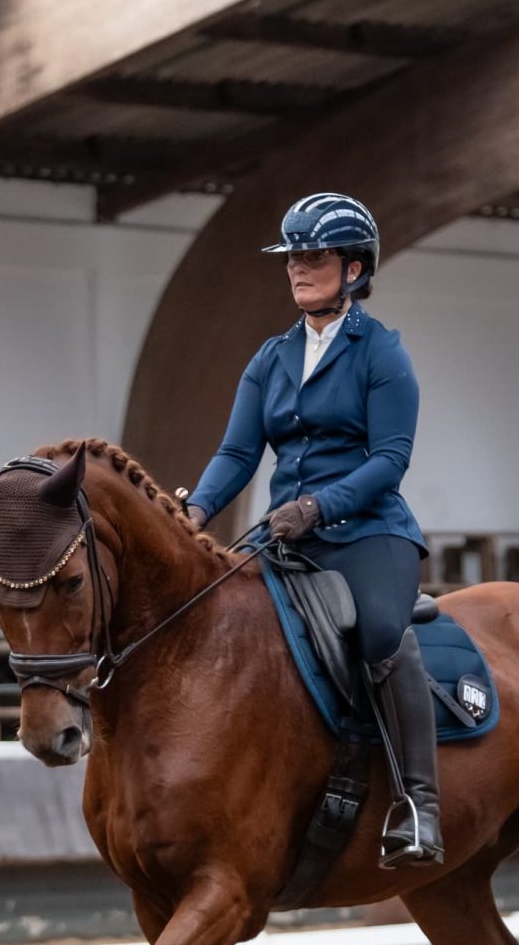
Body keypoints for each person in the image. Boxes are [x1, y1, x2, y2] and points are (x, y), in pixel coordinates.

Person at [184, 192, 440, 868]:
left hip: (367, 532)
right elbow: (239, 453)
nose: (298, 267)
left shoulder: (380, 352)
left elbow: (391, 458)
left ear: (354, 269)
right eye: (292, 256)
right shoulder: (271, 357)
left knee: (383, 632)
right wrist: (194, 513)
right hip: (285, 539)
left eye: (314, 256)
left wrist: (320, 506)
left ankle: (418, 803)